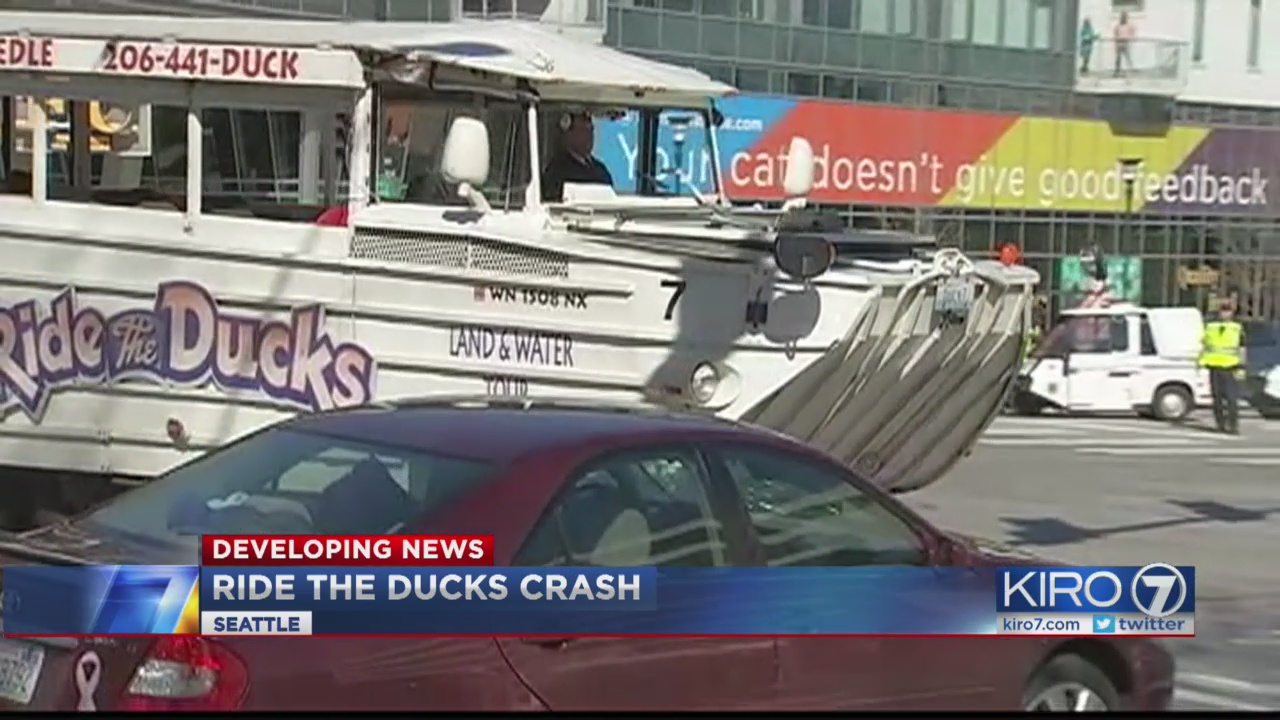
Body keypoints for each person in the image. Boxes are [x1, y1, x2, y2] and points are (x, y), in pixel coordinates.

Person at [541, 110, 613, 202]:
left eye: (591, 130)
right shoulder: (556, 172)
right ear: (568, 133)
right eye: (583, 130)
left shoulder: (601, 171)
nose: (590, 136)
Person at [1200, 298, 1247, 435]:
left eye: (1227, 311)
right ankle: (1220, 424)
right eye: (1223, 311)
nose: (1225, 314)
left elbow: (1242, 348)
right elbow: (1204, 345)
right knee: (1217, 398)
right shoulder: (1210, 327)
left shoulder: (1237, 328)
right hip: (1214, 366)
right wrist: (1201, 363)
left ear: (1232, 313)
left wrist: (1242, 366)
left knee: (1232, 399)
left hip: (1231, 367)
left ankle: (1233, 426)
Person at [1113, 11, 1135, 77]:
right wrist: (1116, 43)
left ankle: (1130, 70)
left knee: (1127, 56)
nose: (1123, 18)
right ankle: (1117, 71)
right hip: (1119, 42)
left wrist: (1131, 38)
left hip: (1126, 42)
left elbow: (1132, 31)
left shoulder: (1129, 25)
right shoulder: (1118, 25)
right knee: (1118, 58)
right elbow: (1115, 33)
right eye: (1122, 16)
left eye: (1124, 17)